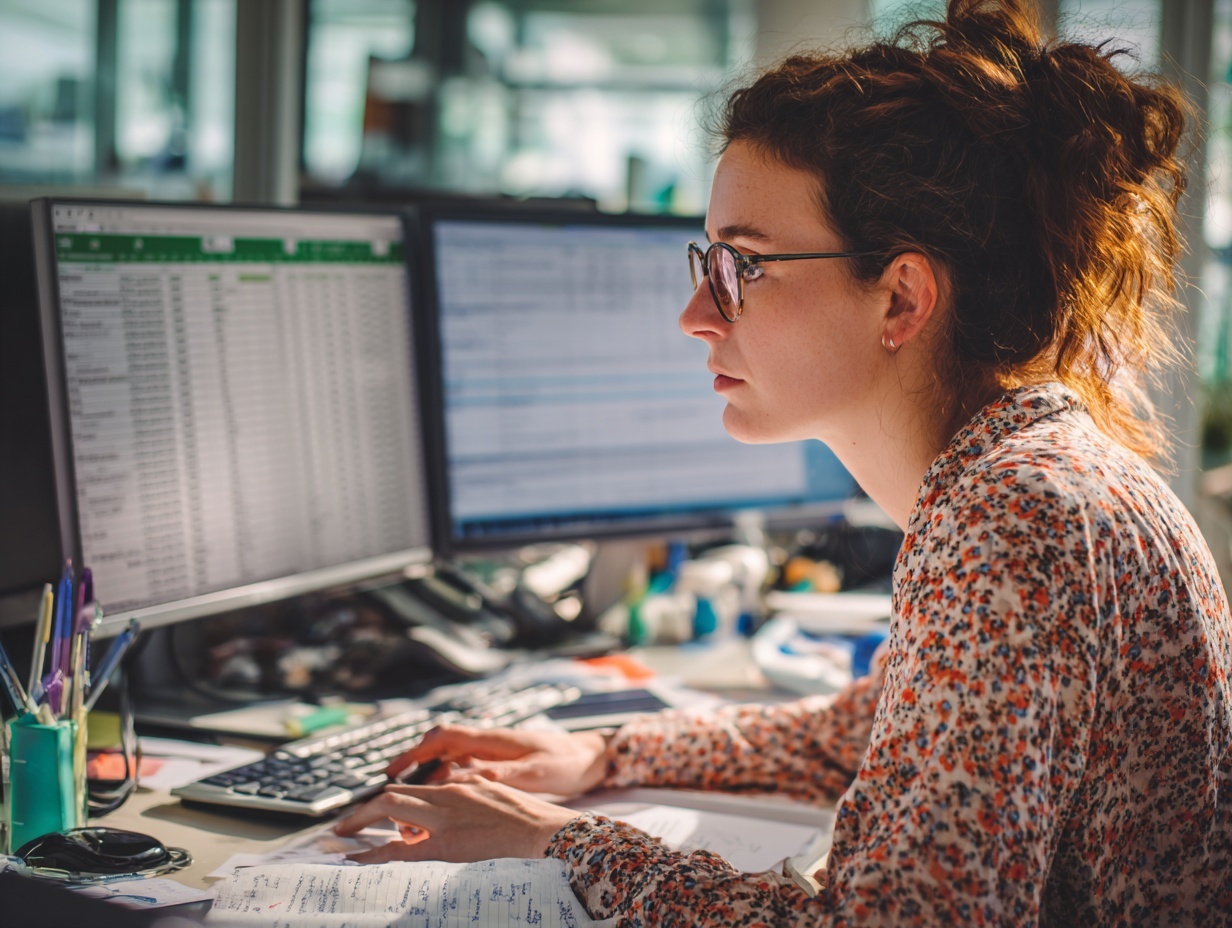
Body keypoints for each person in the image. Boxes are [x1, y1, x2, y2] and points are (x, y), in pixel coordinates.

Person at [334, 1, 1232, 924]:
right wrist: (602, 758)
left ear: (900, 299)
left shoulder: (1016, 518)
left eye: (742, 267)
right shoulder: (1031, 471)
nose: (696, 315)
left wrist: (557, 841)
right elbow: (855, 735)